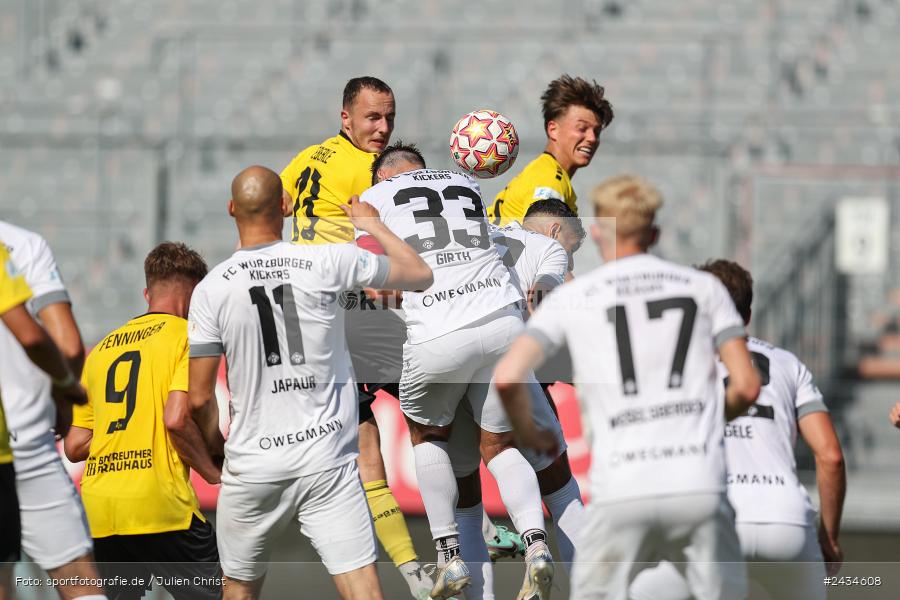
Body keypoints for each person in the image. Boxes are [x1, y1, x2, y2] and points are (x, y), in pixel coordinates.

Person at [494, 174, 762, 600]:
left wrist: (530, 432)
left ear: (597, 230)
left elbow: (507, 377)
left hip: (622, 485)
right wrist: (704, 417)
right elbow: (747, 386)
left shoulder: (574, 298)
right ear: (655, 232)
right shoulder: (704, 288)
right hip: (696, 483)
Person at [187, 166, 432, 600]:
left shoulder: (210, 290)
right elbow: (418, 274)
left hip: (252, 466)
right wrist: (372, 225)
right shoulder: (327, 260)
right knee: (364, 592)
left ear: (231, 209)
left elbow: (201, 397)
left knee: (239, 591)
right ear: (285, 205)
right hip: (325, 463)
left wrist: (216, 451)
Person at [359, 143, 555, 600]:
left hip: (439, 333)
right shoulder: (465, 182)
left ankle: (448, 558)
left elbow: (375, 286)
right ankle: (536, 545)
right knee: (501, 446)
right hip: (504, 324)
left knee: (428, 437)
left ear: (382, 179)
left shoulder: (378, 202)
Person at [280, 77, 443, 598]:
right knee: (434, 410)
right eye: (372, 118)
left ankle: (412, 570)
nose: (383, 128)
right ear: (345, 117)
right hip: (354, 304)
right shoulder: (367, 172)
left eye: (389, 117)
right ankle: (469, 526)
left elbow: (279, 201)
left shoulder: (308, 156)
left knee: (364, 439)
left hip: (310, 314)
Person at [629, 259, 846, 600]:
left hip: (711, 518)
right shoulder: (789, 364)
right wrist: (828, 537)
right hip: (786, 520)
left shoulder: (672, 365)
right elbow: (831, 456)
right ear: (746, 316)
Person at [447, 201, 589, 596]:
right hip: (504, 363)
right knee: (559, 485)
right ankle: (562, 567)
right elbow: (541, 299)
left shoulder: (479, 236)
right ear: (556, 232)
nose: (570, 264)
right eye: (573, 251)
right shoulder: (547, 251)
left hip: (444, 363)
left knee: (467, 504)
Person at [64, 242, 220, 600]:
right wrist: (214, 474)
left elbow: (74, 446)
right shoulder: (188, 337)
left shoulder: (102, 349)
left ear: (148, 292)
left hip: (103, 510)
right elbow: (177, 420)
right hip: (161, 506)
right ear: (195, 293)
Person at [0, 221, 105, 600]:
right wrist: (64, 393)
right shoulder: (19, 245)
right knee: (81, 583)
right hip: (24, 443)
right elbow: (69, 345)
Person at [487, 75, 614, 226]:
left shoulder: (542, 171)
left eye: (597, 132)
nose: (592, 138)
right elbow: (540, 242)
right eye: (582, 128)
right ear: (553, 129)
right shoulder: (550, 181)